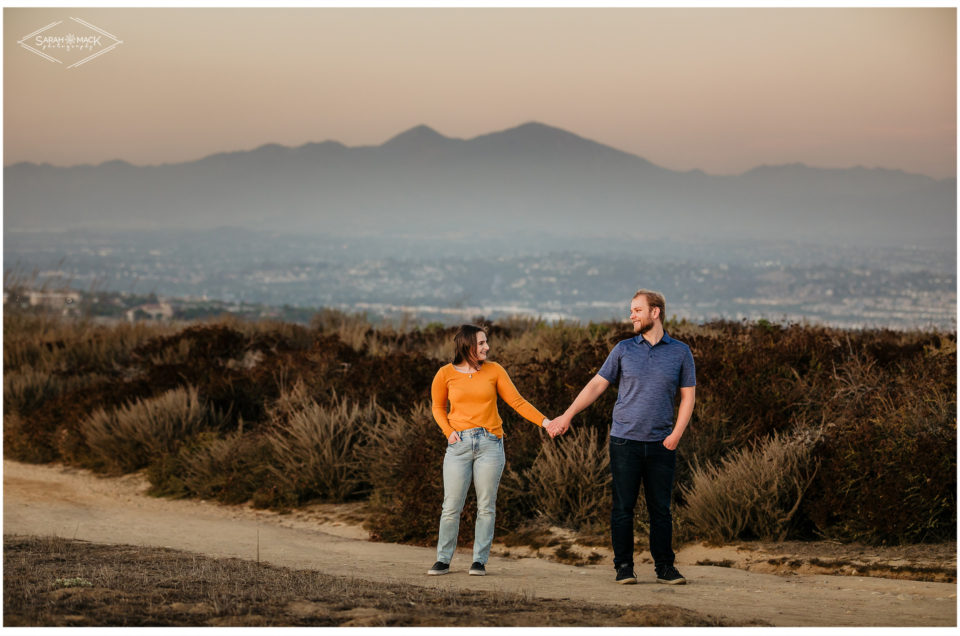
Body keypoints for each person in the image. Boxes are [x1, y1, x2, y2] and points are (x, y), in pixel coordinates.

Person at [547, 289, 695, 585]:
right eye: (631, 310)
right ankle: (623, 567)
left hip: (662, 443)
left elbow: (688, 397)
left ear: (655, 312)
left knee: (661, 510)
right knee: (623, 508)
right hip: (624, 441)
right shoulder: (623, 349)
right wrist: (567, 415)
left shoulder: (680, 352)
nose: (631, 316)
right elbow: (596, 386)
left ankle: (665, 567)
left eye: (637, 310)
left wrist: (676, 435)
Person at [427, 324, 550, 577]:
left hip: (490, 444)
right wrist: (448, 432)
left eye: (486, 343)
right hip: (458, 445)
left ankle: (479, 561)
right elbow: (438, 407)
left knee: (486, 506)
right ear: (467, 346)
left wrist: (546, 422)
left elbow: (517, 402)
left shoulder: (495, 371)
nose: (487, 347)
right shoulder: (445, 374)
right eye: (482, 343)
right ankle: (442, 560)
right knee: (451, 506)